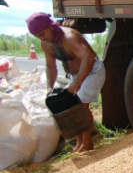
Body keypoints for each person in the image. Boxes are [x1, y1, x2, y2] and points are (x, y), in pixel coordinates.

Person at [26, 12, 106, 152]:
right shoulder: (46, 43)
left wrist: (77, 83)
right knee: (71, 107)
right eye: (38, 36)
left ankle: (87, 143)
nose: (42, 38)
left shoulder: (69, 37)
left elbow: (88, 58)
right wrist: (49, 88)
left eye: (42, 34)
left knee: (81, 104)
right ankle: (80, 143)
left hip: (92, 70)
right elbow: (51, 66)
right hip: (74, 75)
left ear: (50, 27)